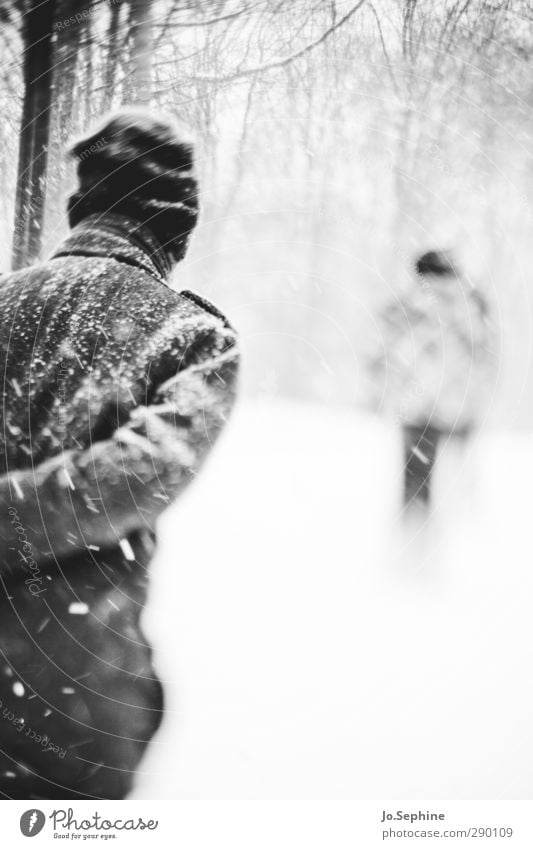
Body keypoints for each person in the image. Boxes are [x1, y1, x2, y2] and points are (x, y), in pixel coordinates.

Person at [0, 109, 239, 798]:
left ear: (83, 205)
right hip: (71, 691)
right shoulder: (194, 336)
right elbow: (134, 477)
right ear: (178, 225)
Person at [369, 250, 497, 510]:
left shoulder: (409, 304)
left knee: (416, 498)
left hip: (418, 413)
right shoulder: (472, 305)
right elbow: (487, 360)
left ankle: (415, 538)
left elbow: (382, 355)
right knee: (457, 497)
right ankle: (454, 537)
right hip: (458, 412)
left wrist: (387, 392)